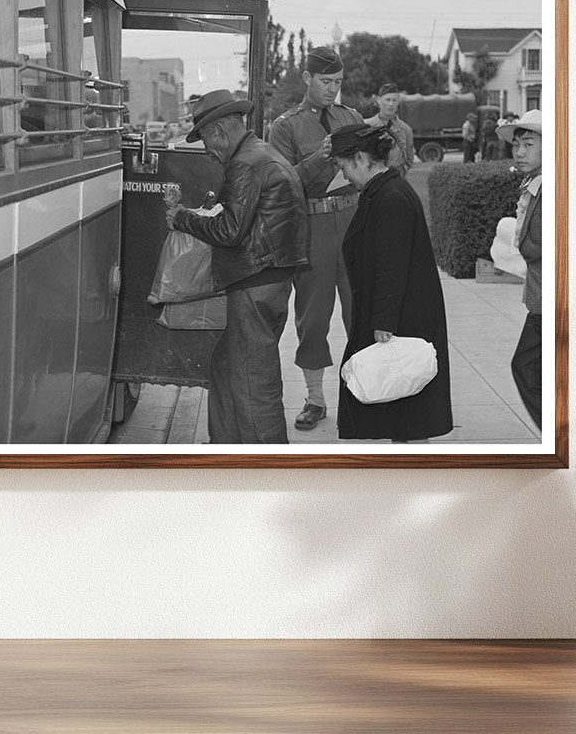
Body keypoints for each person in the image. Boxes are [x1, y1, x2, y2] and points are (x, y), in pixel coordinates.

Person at [166, 89, 307, 443]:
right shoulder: (260, 153)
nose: (208, 152)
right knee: (229, 370)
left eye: (206, 142)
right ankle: (225, 448)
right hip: (268, 281)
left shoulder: (244, 163)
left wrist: (183, 218)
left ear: (220, 131)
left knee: (253, 386)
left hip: (254, 285)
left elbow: (230, 230)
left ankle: (271, 468)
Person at [329, 123, 453, 442]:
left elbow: (391, 266)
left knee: (408, 411)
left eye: (343, 167)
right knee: (404, 412)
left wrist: (383, 323)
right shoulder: (384, 191)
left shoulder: (390, 196)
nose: (343, 176)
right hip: (398, 315)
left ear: (360, 158)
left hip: (399, 320)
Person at [268, 46, 365, 431]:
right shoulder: (286, 126)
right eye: (326, 82)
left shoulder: (351, 117)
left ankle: (364, 394)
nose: (332, 89)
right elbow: (281, 184)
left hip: (353, 222)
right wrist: (320, 158)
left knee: (362, 309)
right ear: (306, 78)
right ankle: (315, 398)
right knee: (312, 317)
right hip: (313, 230)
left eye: (338, 82)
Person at [496, 109, 542, 430]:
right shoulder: (535, 185)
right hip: (540, 300)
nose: (520, 152)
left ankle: (556, 436)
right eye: (517, 145)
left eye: (529, 144)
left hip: (549, 303)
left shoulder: (549, 189)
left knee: (524, 367)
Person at [368, 82, 415, 176]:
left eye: (394, 100)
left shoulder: (406, 130)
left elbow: (409, 159)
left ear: (398, 102)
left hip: (396, 182)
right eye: (387, 100)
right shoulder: (367, 126)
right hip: (371, 181)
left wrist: (400, 174)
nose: (391, 104)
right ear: (379, 101)